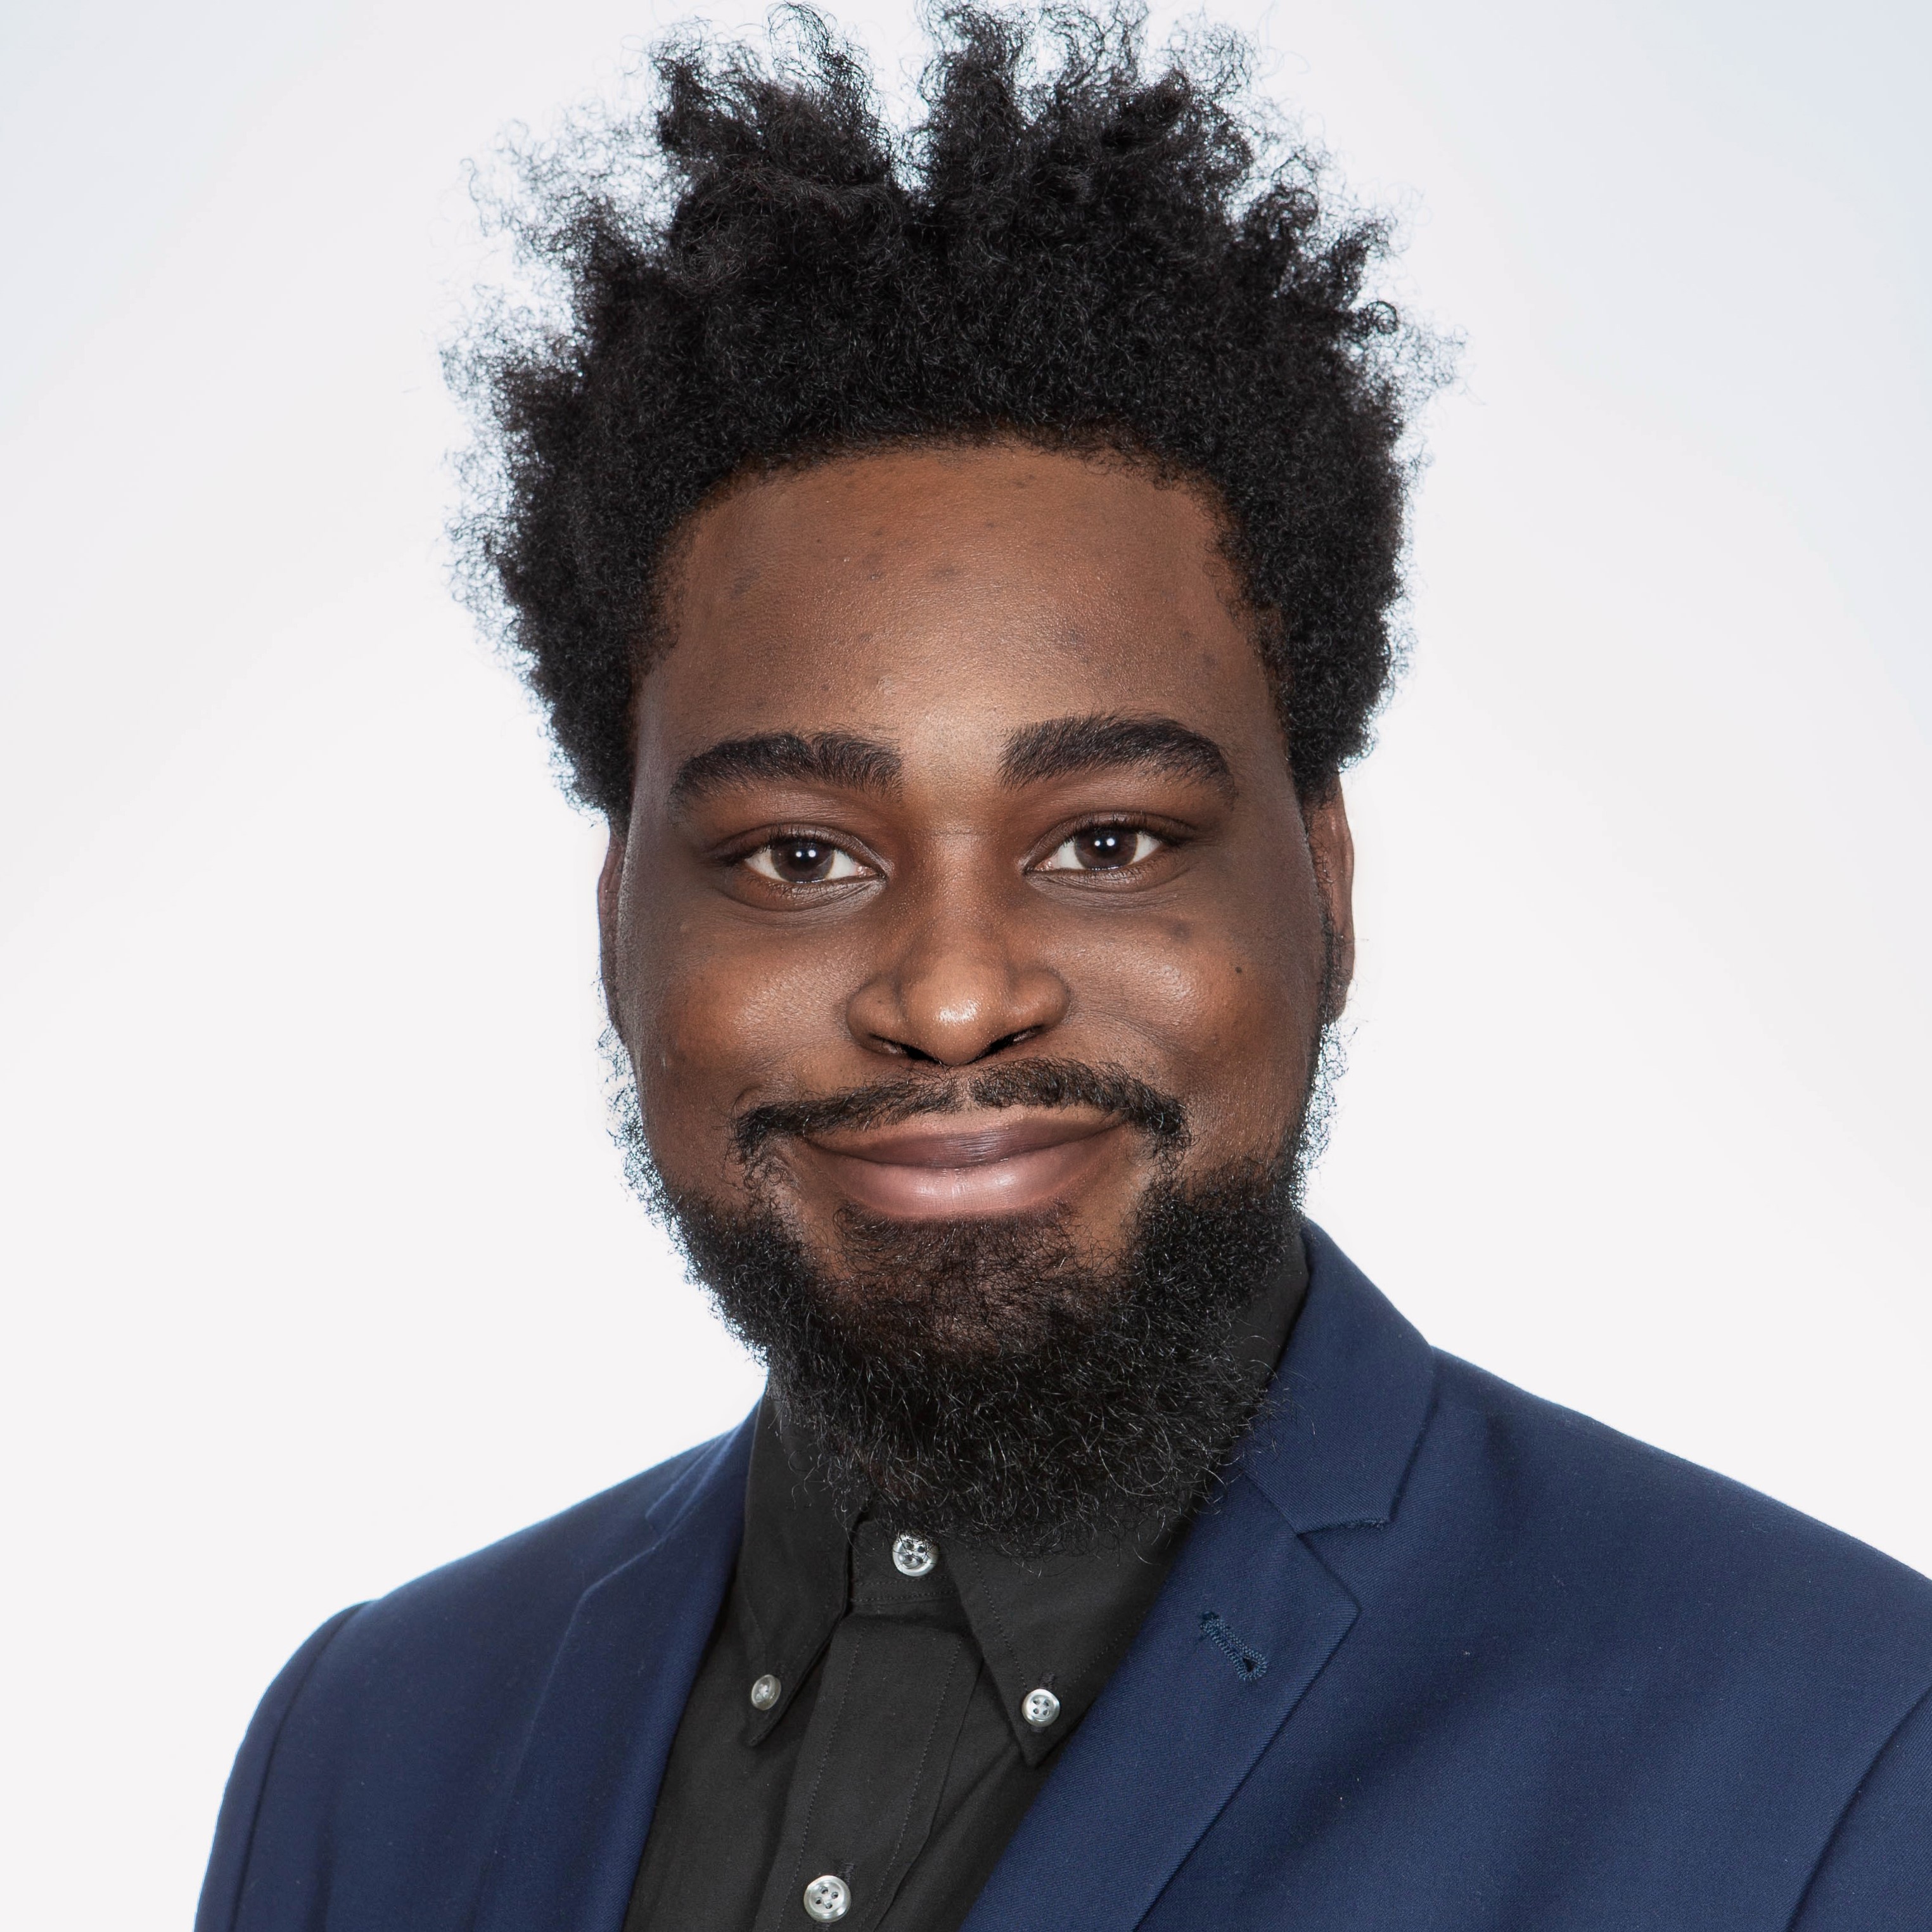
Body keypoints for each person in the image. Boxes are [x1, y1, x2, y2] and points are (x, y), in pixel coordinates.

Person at [195, 10, 1932, 1929]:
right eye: (798, 854)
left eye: (1106, 842)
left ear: (1325, 886)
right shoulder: (367, 1749)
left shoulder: (1836, 1757)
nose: (952, 999)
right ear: (620, 920)